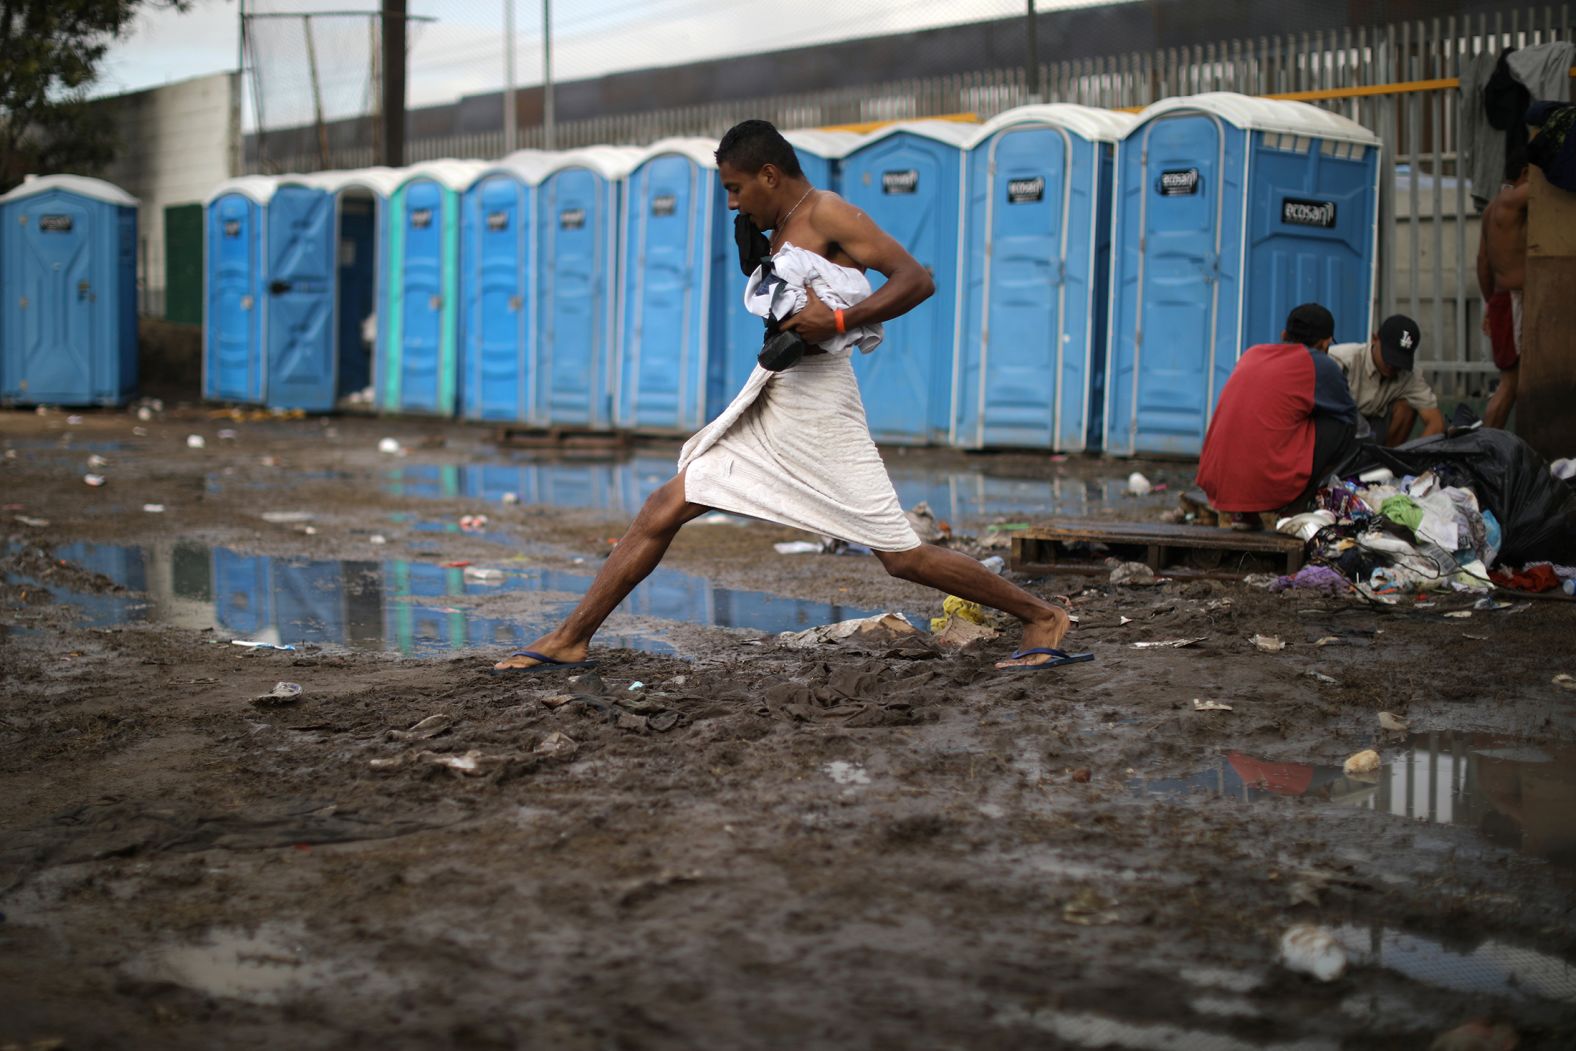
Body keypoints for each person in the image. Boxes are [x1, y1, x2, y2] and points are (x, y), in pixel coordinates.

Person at [493, 120, 1078, 673]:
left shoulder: (827, 211)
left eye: (735, 188)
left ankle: (1043, 616)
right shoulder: (784, 224)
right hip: (780, 389)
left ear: (769, 174)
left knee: (900, 556)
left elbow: (915, 280)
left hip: (822, 403)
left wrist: (843, 319)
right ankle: (571, 638)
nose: (731, 202)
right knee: (664, 505)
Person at [1194, 303, 1358, 525]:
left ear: (1284, 335)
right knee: (1343, 425)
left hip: (1219, 480)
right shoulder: (1318, 363)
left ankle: (1243, 513)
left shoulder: (1252, 354)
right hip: (1269, 481)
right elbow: (1348, 416)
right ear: (1325, 343)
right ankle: (1296, 505)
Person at [1327, 314, 1445, 446]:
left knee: (1407, 406)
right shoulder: (1341, 359)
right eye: (1389, 358)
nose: (1392, 366)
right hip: (1339, 426)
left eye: (1399, 361)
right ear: (1374, 339)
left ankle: (1388, 461)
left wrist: (1416, 455)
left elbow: (1436, 423)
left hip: (1376, 430)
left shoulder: (1409, 375)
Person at [1478, 155, 1530, 430]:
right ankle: (1486, 449)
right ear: (1524, 172)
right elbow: (1546, 187)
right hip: (1513, 300)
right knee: (1510, 384)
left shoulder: (1490, 209)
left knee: (1514, 382)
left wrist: (1490, 304)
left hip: (1502, 300)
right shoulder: (1512, 201)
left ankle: (1490, 449)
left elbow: (1482, 263)